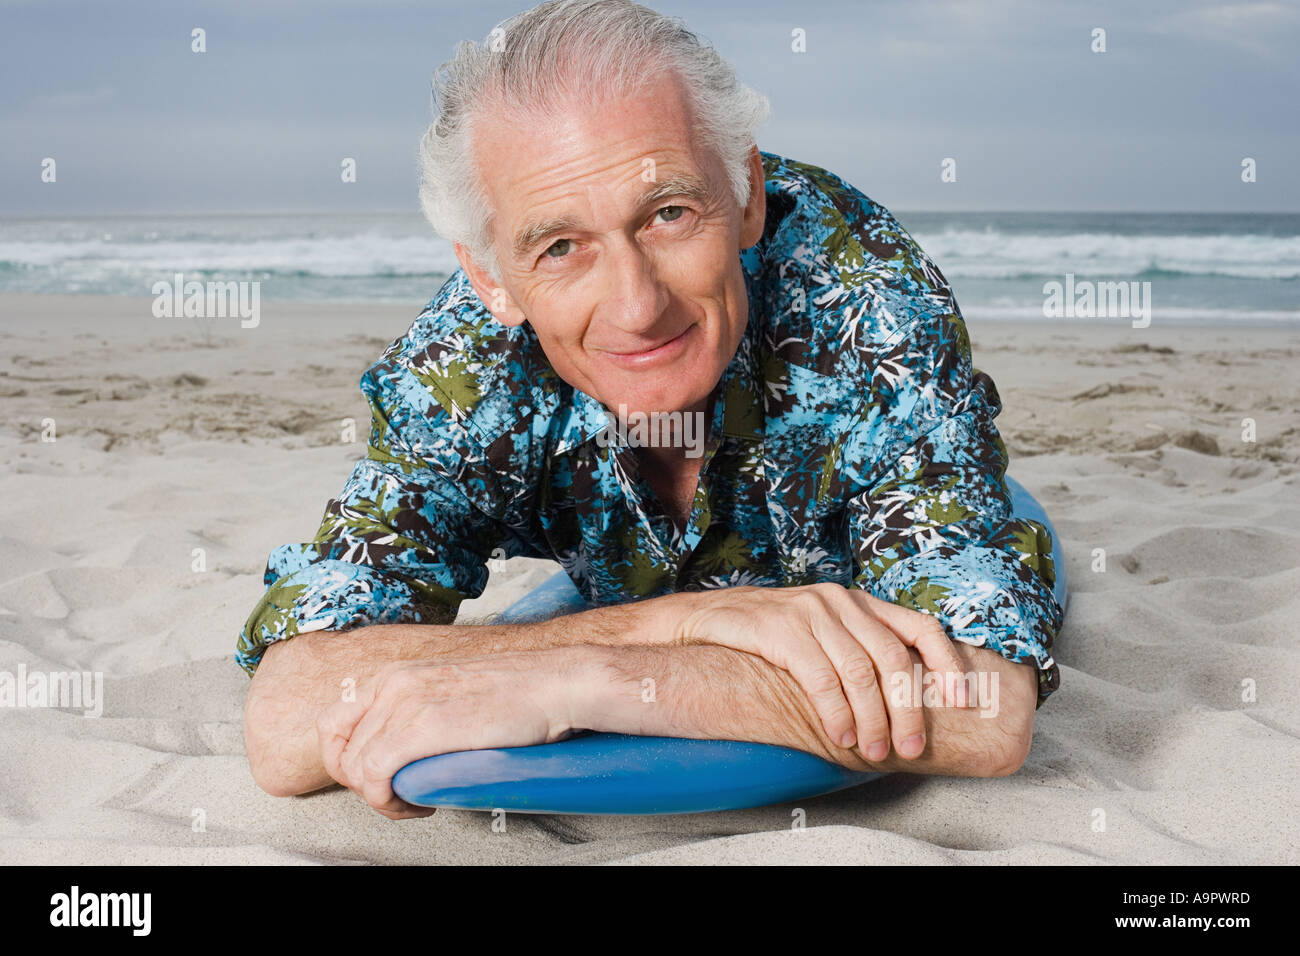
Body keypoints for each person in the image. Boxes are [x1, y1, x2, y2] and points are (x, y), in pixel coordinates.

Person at [237, 0, 1062, 819]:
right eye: (560, 247)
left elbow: (983, 705)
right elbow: (287, 717)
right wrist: (679, 626)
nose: (635, 306)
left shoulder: (866, 300)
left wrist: (576, 677)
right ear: (490, 277)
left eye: (669, 213)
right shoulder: (460, 365)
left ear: (745, 195)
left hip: (871, 541)